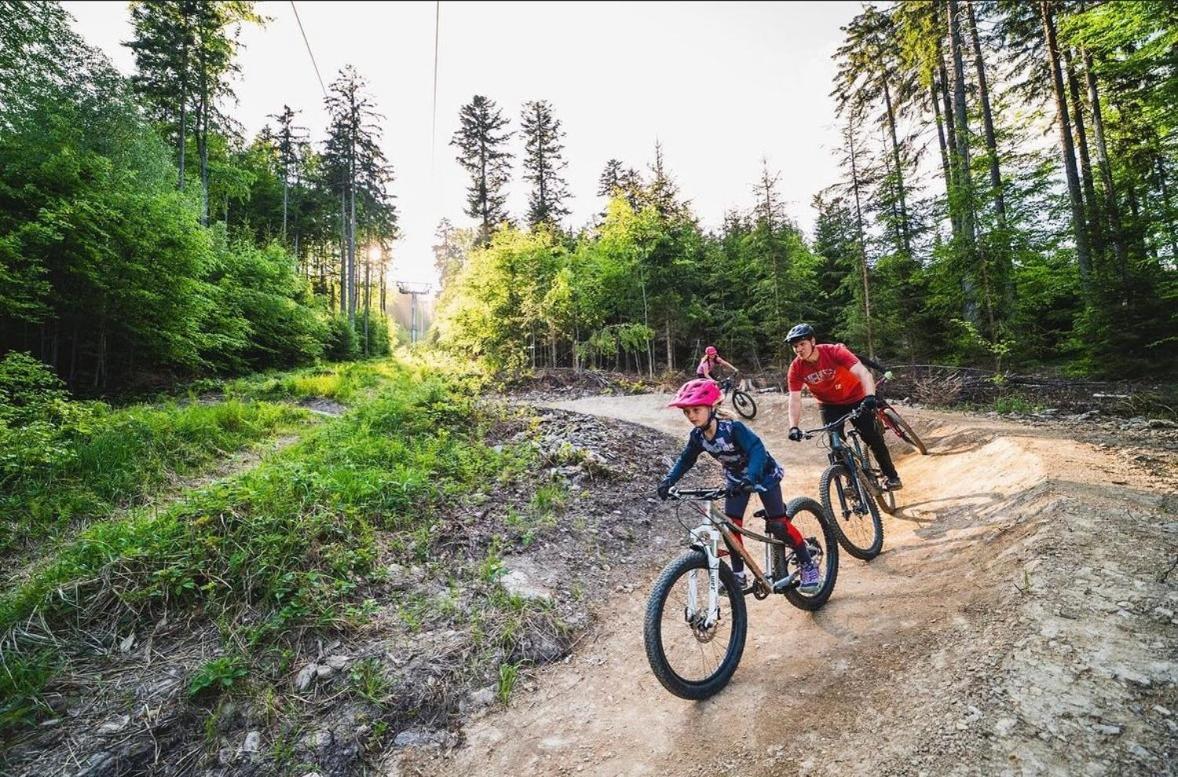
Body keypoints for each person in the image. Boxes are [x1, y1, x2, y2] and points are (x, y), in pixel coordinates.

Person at [656, 378, 821, 593]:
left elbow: (757, 449)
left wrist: (751, 478)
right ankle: (738, 575)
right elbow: (686, 459)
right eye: (686, 412)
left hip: (763, 475)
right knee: (730, 528)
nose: (691, 416)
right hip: (735, 480)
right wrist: (669, 480)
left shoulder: (732, 428)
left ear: (711, 407)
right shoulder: (698, 436)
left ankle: (808, 563)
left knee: (778, 525)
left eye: (695, 410)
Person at [784, 323, 901, 489]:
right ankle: (852, 483)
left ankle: (892, 476)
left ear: (813, 341)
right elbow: (794, 399)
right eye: (795, 346)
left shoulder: (833, 352)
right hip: (829, 405)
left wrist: (869, 396)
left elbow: (863, 373)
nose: (798, 349)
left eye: (802, 344)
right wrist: (793, 427)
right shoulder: (796, 368)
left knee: (872, 437)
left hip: (856, 396)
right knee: (836, 446)